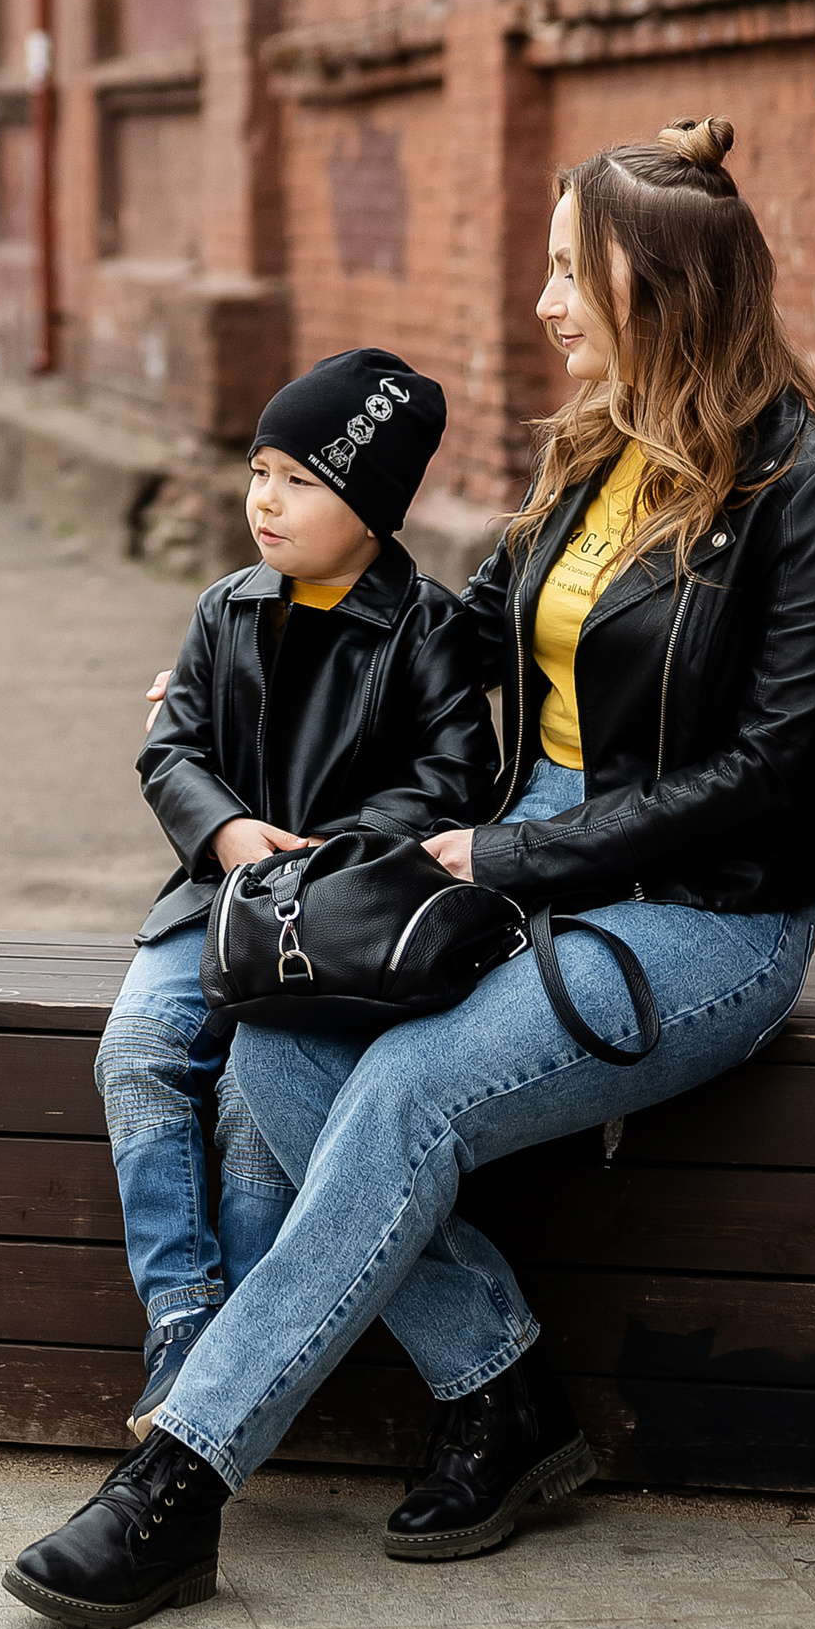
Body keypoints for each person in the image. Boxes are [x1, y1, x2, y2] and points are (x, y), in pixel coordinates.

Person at [5, 117, 815, 1629]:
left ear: (660, 286)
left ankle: (182, 1475)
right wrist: (262, 659)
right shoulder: (591, 456)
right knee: (282, 1048)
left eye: (569, 272)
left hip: (706, 911)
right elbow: (458, 633)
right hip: (513, 862)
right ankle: (503, 1391)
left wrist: (520, 846)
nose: (545, 304)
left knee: (403, 1085)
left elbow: (765, 774)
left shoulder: (811, 492)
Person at [96, 349, 494, 1442]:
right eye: (258, 472)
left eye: (298, 480)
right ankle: (181, 1316)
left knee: (252, 1101)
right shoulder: (227, 608)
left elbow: (452, 779)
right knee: (135, 1052)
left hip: (337, 924)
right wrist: (222, 831)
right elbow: (169, 748)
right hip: (212, 901)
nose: (264, 501)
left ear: (369, 508)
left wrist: (338, 850)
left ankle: (244, 1347)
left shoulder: (427, 628)